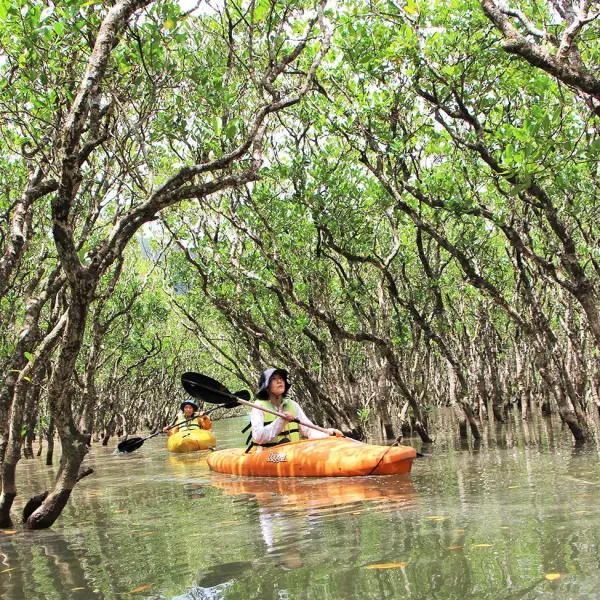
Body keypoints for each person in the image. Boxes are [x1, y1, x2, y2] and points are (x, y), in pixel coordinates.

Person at [246, 368, 343, 452]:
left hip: (292, 452)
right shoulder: (258, 407)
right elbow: (258, 437)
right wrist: (281, 421)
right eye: (274, 379)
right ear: (267, 387)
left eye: (281, 378)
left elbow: (309, 430)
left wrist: (328, 433)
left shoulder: (292, 405)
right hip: (268, 454)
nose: (279, 381)